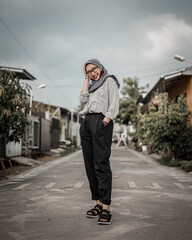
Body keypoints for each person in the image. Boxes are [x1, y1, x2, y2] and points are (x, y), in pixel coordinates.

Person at [79, 58, 120, 225]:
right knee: (90, 165)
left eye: (94, 69)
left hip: (101, 121)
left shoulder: (109, 80)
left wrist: (105, 120)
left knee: (101, 165)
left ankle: (106, 207)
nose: (93, 72)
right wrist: (86, 79)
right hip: (87, 122)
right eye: (88, 71)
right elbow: (82, 99)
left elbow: (114, 104)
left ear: (100, 66)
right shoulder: (91, 84)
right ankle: (97, 203)